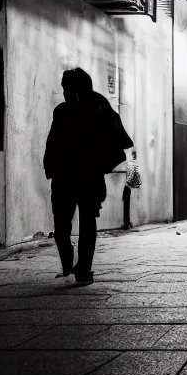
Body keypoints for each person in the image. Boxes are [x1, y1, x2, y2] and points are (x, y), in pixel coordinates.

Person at [44, 68, 133, 284]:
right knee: (64, 227)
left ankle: (83, 268)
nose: (64, 92)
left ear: (77, 89)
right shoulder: (63, 111)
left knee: (84, 221)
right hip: (70, 176)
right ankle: (69, 260)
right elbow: (53, 142)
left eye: (67, 88)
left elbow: (115, 135)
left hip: (85, 175)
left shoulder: (97, 108)